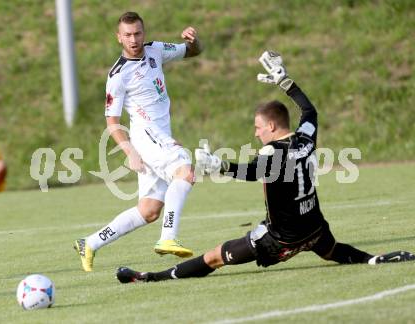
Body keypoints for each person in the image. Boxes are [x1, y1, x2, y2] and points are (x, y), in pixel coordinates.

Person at [115, 50, 415, 284]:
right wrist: (287, 82)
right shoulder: (305, 138)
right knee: (331, 250)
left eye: (259, 127)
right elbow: (310, 111)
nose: (256, 133)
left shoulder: (272, 153)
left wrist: (218, 166)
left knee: (214, 257)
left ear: (271, 126)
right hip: (314, 229)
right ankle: (374, 260)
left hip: (281, 240)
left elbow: (252, 172)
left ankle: (149, 277)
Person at [74, 12, 203, 272]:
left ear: (144, 33)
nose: (134, 39)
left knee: (149, 210)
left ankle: (89, 243)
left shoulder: (155, 50)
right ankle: (167, 238)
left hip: (160, 135)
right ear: (118, 38)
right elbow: (112, 122)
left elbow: (192, 52)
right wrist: (129, 151)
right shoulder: (118, 75)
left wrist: (193, 41)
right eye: (128, 35)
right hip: (146, 137)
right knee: (185, 171)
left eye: (137, 33)